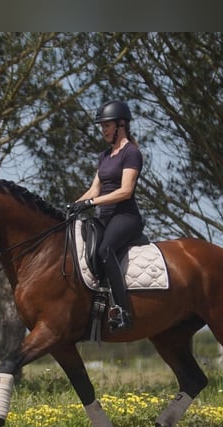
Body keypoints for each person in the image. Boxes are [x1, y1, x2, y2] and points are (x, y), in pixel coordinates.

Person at [68, 99, 144, 332]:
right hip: (105, 216)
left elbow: (125, 191)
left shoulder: (131, 153)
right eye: (101, 127)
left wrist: (92, 202)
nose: (103, 130)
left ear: (121, 125)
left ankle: (123, 310)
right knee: (85, 249)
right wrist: (75, 204)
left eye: (106, 126)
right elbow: (94, 189)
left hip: (126, 216)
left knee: (104, 250)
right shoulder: (105, 155)